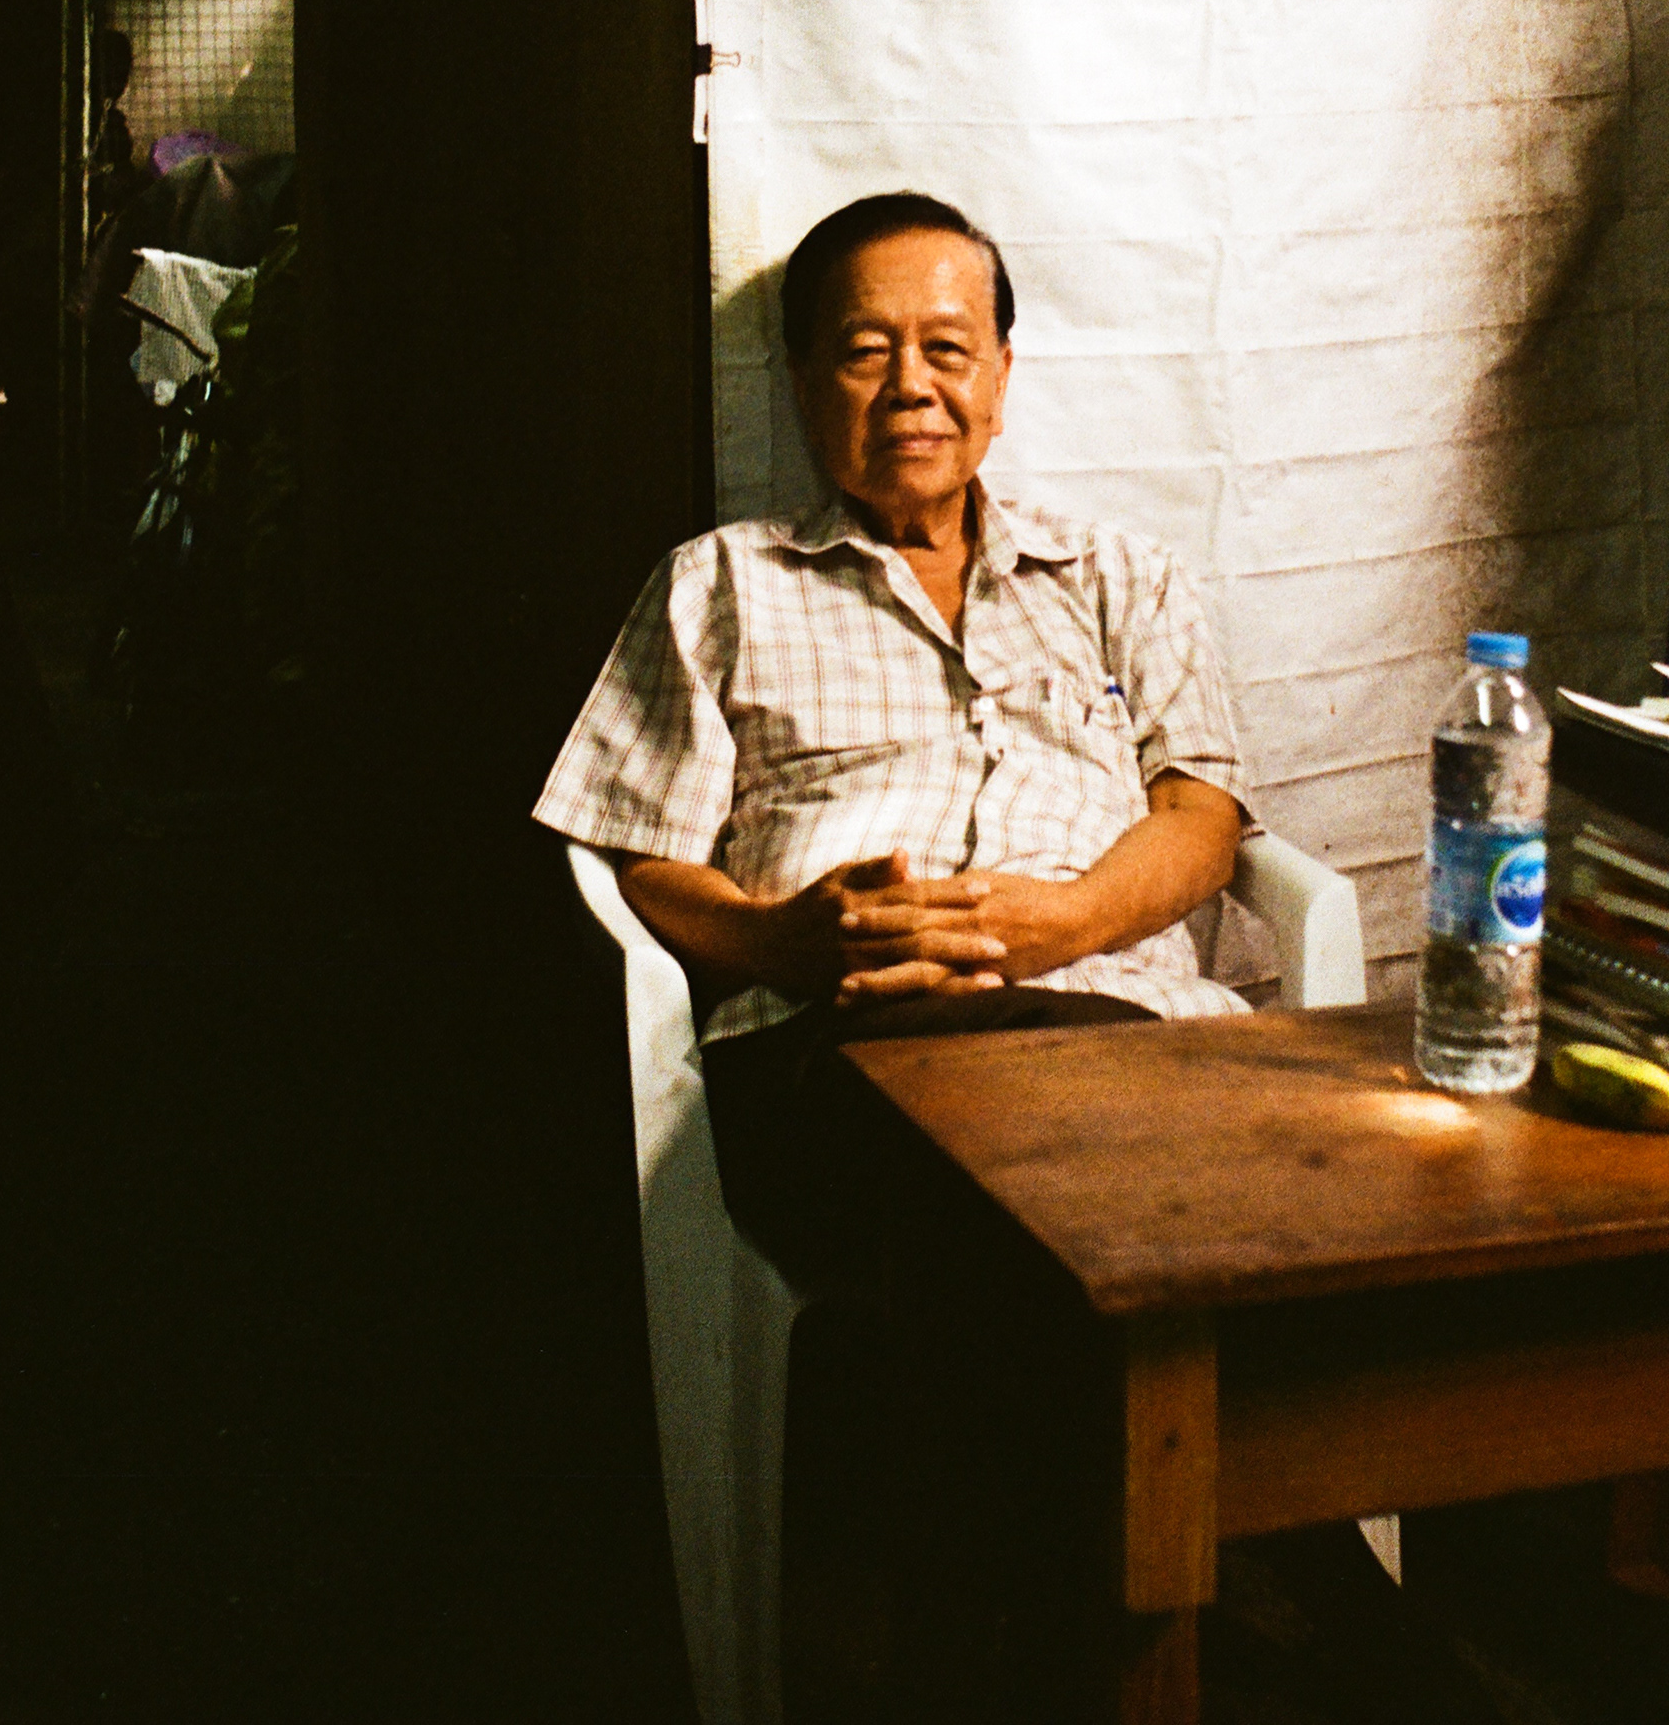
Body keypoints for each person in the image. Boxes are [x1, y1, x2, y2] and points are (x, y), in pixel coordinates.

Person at [534, 187, 1252, 1285]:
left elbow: (1202, 817)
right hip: (840, 1035)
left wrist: (1064, 923)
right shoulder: (719, 584)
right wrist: (786, 942)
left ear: (1000, 377)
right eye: (866, 352)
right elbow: (642, 862)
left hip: (1123, 1024)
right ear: (804, 383)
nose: (911, 384)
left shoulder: (1123, 577)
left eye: (947, 350)